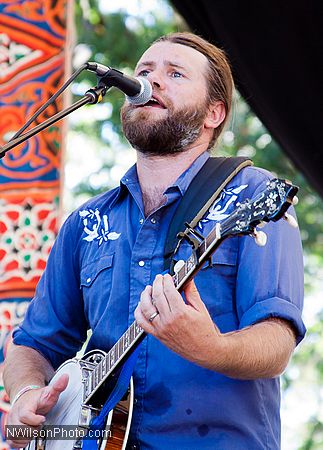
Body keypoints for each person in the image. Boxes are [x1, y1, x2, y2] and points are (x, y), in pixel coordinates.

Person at [3, 32, 305, 450]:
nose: (151, 80)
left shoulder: (255, 196)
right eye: (144, 71)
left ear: (213, 113)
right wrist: (24, 395)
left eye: (175, 73)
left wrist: (209, 347)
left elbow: (277, 341)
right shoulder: (87, 221)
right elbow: (32, 344)